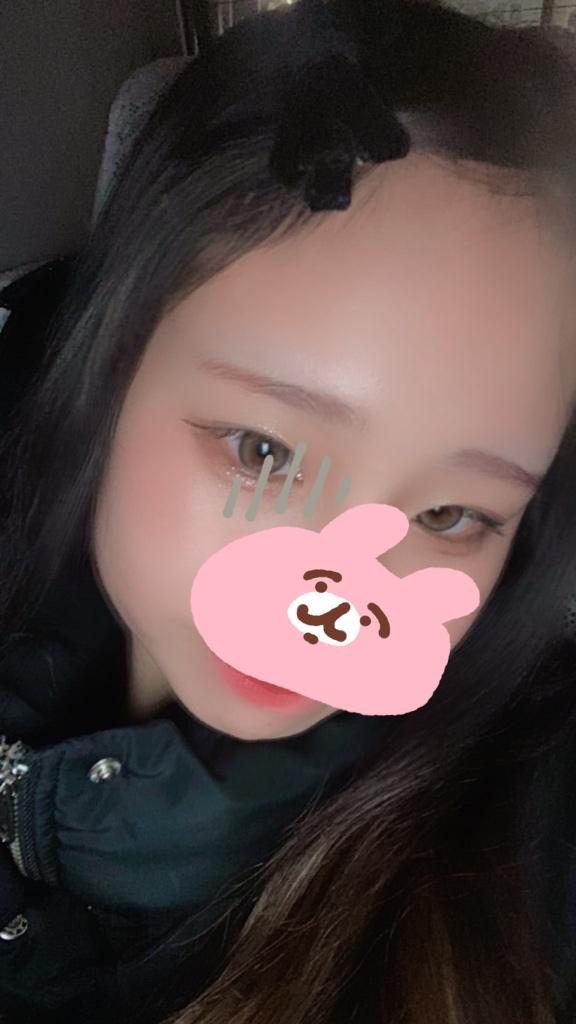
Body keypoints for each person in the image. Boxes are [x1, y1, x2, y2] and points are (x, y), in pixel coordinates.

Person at [1, 0, 576, 1021]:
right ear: (113, 368)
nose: (336, 610)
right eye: (264, 452)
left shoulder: (519, 831)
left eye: (451, 514)